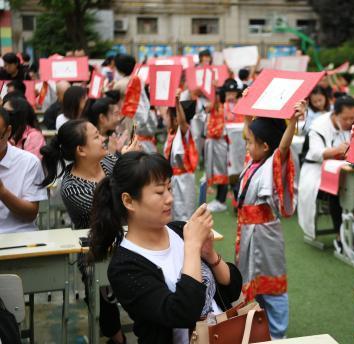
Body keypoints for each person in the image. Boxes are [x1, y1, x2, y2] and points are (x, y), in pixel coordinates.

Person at [89, 152, 242, 343]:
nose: (169, 198)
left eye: (169, 188)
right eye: (160, 192)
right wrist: (193, 249)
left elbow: (233, 289)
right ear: (128, 201)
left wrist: (211, 256)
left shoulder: (180, 230)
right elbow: (183, 313)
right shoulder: (124, 267)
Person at [39, 119, 138, 344]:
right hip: (97, 251)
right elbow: (113, 205)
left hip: (131, 240)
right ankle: (117, 338)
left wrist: (130, 163)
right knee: (103, 293)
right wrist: (127, 164)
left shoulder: (110, 162)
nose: (102, 138)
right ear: (81, 150)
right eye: (95, 136)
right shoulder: (71, 186)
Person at [236, 99, 303, 340]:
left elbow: (283, 149)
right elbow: (250, 132)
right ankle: (262, 327)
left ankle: (278, 334)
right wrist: (248, 111)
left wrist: (293, 121)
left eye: (250, 143)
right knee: (253, 284)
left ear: (265, 146)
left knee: (272, 287)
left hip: (264, 233)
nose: (246, 146)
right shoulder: (253, 162)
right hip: (248, 232)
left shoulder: (271, 163)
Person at [298, 96, 354, 247]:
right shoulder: (318, 125)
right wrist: (337, 150)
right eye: (346, 119)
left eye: (353, 118)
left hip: (344, 169)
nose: (350, 122)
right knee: (333, 190)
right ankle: (340, 234)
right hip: (316, 170)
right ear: (335, 114)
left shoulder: (353, 125)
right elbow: (316, 153)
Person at [0, 108, 47, 234]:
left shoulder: (28, 162)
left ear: (8, 131)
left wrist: (2, 192)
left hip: (20, 237)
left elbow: (31, 213)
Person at [204, 79, 242, 213]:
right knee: (221, 170)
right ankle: (221, 199)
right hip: (221, 142)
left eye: (233, 92)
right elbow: (213, 105)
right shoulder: (221, 105)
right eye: (228, 92)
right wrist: (214, 90)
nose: (231, 95)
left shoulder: (239, 106)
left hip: (232, 144)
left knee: (229, 171)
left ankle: (224, 200)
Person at [162, 96, 199, 221]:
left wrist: (177, 103)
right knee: (173, 211)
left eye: (168, 116)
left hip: (183, 179)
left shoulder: (183, 132)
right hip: (173, 178)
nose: (165, 118)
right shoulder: (171, 132)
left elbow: (182, 122)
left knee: (184, 212)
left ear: (176, 119)